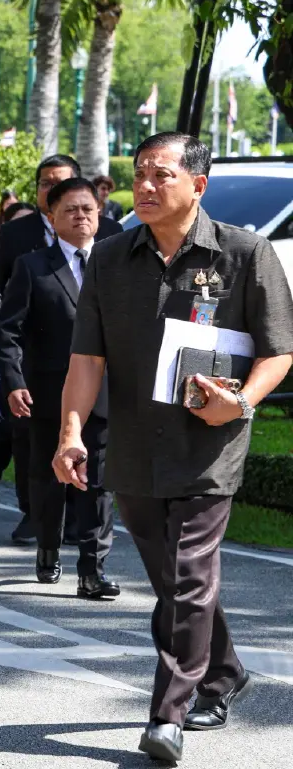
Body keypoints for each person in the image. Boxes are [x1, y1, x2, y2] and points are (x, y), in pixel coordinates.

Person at [55, 132, 293, 763]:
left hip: (208, 443)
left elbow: (279, 352)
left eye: (161, 175)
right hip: (133, 443)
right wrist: (71, 433)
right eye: (139, 174)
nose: (146, 186)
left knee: (190, 573)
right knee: (173, 580)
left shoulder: (246, 254)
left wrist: (240, 401)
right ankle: (224, 672)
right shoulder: (108, 259)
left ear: (198, 185)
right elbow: (86, 359)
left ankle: (167, 714)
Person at [0, 155, 124, 544]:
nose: (79, 216)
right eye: (47, 185)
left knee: (99, 467)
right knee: (39, 461)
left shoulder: (116, 242)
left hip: (104, 381)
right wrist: (3, 370)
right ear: (50, 207)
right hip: (43, 378)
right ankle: (44, 534)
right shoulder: (19, 240)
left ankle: (92, 554)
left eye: (85, 208)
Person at [0, 177, 118, 598]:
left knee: (98, 480)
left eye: (88, 209)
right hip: (47, 392)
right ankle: (48, 548)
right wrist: (13, 382)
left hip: (103, 391)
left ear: (99, 214)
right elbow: (7, 331)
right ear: (52, 218)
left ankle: (92, 568)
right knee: (49, 478)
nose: (81, 216)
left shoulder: (115, 263)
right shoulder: (33, 267)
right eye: (70, 210)